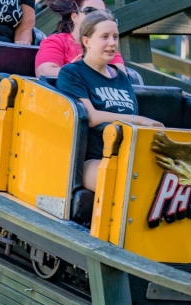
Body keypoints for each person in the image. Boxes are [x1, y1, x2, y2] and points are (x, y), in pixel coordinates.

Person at [56, 10, 162, 191]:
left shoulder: (121, 76)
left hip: (128, 153)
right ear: (87, 41)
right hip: (92, 158)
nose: (112, 43)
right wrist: (140, 120)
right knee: (122, 177)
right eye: (105, 37)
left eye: (115, 37)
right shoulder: (72, 73)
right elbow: (91, 117)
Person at [35, 0, 125, 78]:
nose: (97, 17)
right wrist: (90, 75)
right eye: (89, 10)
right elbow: (45, 72)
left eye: (102, 12)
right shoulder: (56, 41)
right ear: (74, 17)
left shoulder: (107, 45)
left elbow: (121, 76)